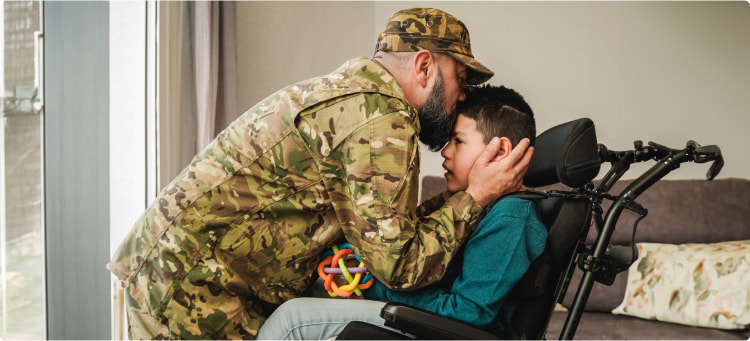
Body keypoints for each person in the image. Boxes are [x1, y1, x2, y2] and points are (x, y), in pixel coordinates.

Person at [108, 8, 534, 339]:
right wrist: (475, 196)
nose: (462, 96)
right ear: (424, 66)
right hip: (193, 282)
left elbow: (387, 234)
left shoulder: (353, 94)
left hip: (189, 269)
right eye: (459, 77)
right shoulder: (378, 121)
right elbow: (401, 266)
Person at [255, 84, 545, 340]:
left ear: (500, 150)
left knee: (292, 320)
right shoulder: (474, 205)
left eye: (458, 141)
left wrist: (374, 287)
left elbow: (469, 314)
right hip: (418, 314)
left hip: (440, 329)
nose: (445, 152)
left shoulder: (511, 217)